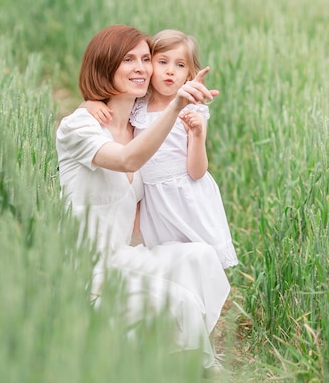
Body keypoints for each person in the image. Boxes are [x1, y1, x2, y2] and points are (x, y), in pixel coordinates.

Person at [55, 24, 229, 370]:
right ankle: (190, 367)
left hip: (123, 255)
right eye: (128, 59)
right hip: (89, 268)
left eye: (146, 59)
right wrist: (175, 106)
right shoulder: (80, 126)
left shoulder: (137, 127)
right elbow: (128, 160)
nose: (141, 67)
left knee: (199, 258)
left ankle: (171, 352)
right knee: (177, 299)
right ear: (105, 67)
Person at [84, 29, 239, 269]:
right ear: (150, 67)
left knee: (198, 262)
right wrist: (90, 103)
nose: (170, 71)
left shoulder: (192, 112)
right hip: (154, 200)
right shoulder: (138, 105)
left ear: (190, 74)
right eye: (162, 62)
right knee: (166, 264)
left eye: (180, 65)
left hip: (186, 197)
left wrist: (197, 135)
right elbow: (111, 100)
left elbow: (197, 172)